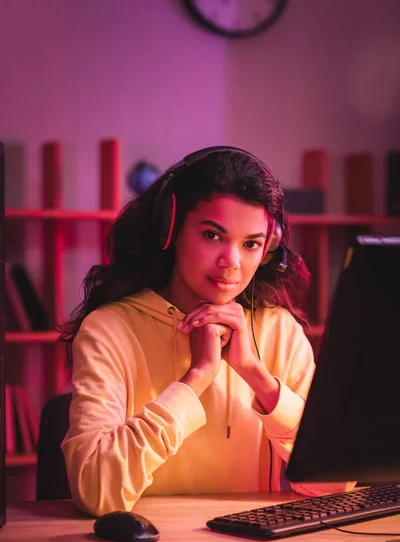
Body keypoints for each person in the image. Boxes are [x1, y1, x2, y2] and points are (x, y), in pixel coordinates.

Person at [61, 146, 353, 517]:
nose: (231, 262)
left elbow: (332, 484)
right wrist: (196, 377)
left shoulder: (280, 332)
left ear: (268, 249)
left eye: (251, 244)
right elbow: (96, 492)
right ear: (172, 230)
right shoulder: (109, 330)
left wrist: (257, 376)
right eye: (213, 235)